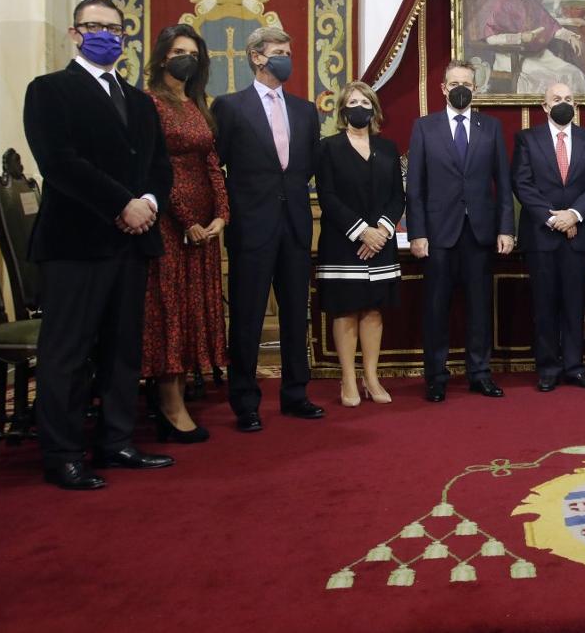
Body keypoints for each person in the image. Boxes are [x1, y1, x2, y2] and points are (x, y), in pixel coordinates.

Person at [23, 0, 174, 489]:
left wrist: (149, 201)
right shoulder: (49, 90)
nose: (105, 33)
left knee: (121, 349)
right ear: (75, 33)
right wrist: (120, 204)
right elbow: (60, 163)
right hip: (76, 242)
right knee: (67, 351)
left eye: (114, 27)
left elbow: (158, 168)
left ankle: (116, 441)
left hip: (132, 243)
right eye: (94, 26)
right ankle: (62, 452)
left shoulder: (139, 101)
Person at [210, 26, 323, 431]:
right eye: (278, 51)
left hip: (294, 227)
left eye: (288, 51)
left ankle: (296, 395)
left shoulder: (305, 110)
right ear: (257, 57)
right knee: (247, 318)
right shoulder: (230, 107)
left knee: (296, 315)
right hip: (250, 229)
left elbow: (308, 167)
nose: (286, 58)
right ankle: (245, 403)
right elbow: (214, 168)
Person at [407, 61, 515, 403]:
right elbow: (416, 187)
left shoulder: (492, 127)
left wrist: (506, 229)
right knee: (436, 309)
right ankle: (436, 377)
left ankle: (479, 373)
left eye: (466, 83)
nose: (461, 88)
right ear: (443, 88)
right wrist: (417, 232)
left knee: (480, 308)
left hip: (480, 233)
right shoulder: (424, 128)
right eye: (454, 82)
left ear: (476, 87)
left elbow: (503, 182)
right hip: (438, 234)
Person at [141, 24, 229, 442]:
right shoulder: (149, 103)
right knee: (169, 312)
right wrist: (184, 220)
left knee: (193, 311)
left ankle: (179, 395)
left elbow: (212, 163)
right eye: (179, 51)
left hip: (204, 228)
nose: (186, 59)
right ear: (162, 57)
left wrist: (221, 216)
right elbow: (154, 167)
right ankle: (169, 404)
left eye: (193, 53)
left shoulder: (195, 104)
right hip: (169, 224)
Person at [512, 81, 585, 391]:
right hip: (541, 235)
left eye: (568, 98)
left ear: (576, 105)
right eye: (557, 98)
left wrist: (574, 214)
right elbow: (522, 183)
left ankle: (574, 366)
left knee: (574, 302)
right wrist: (553, 218)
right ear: (544, 106)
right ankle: (548, 368)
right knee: (544, 303)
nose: (563, 103)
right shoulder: (527, 139)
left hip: (578, 234)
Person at [315, 82, 405, 407]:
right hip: (344, 243)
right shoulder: (328, 147)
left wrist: (381, 230)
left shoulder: (389, 148)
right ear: (343, 110)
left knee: (372, 309)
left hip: (381, 243)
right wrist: (361, 231)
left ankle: (371, 376)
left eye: (365, 101)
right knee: (346, 309)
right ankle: (348, 379)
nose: (359, 107)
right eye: (353, 102)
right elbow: (327, 196)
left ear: (374, 108)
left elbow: (398, 196)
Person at [483, 0, 585, 95]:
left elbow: (550, 25)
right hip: (511, 56)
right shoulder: (502, 2)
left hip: (538, 54)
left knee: (574, 73)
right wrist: (520, 38)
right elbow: (491, 38)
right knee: (548, 79)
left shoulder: (531, 1)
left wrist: (569, 36)